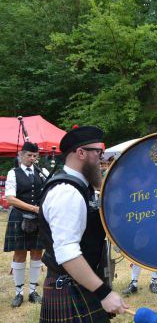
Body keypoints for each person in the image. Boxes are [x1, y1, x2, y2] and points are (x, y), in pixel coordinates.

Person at [38, 126, 128, 322]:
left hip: (80, 283)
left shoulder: (81, 188)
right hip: (72, 287)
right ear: (81, 153)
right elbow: (67, 252)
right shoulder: (67, 193)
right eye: (98, 152)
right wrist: (104, 293)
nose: (102, 158)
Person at [4, 142, 45, 307]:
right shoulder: (13, 173)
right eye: (29, 155)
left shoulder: (42, 172)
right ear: (21, 155)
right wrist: (34, 208)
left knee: (37, 253)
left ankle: (33, 291)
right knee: (20, 254)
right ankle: (19, 293)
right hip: (20, 216)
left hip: (38, 218)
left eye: (35, 156)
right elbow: (10, 198)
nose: (32, 158)